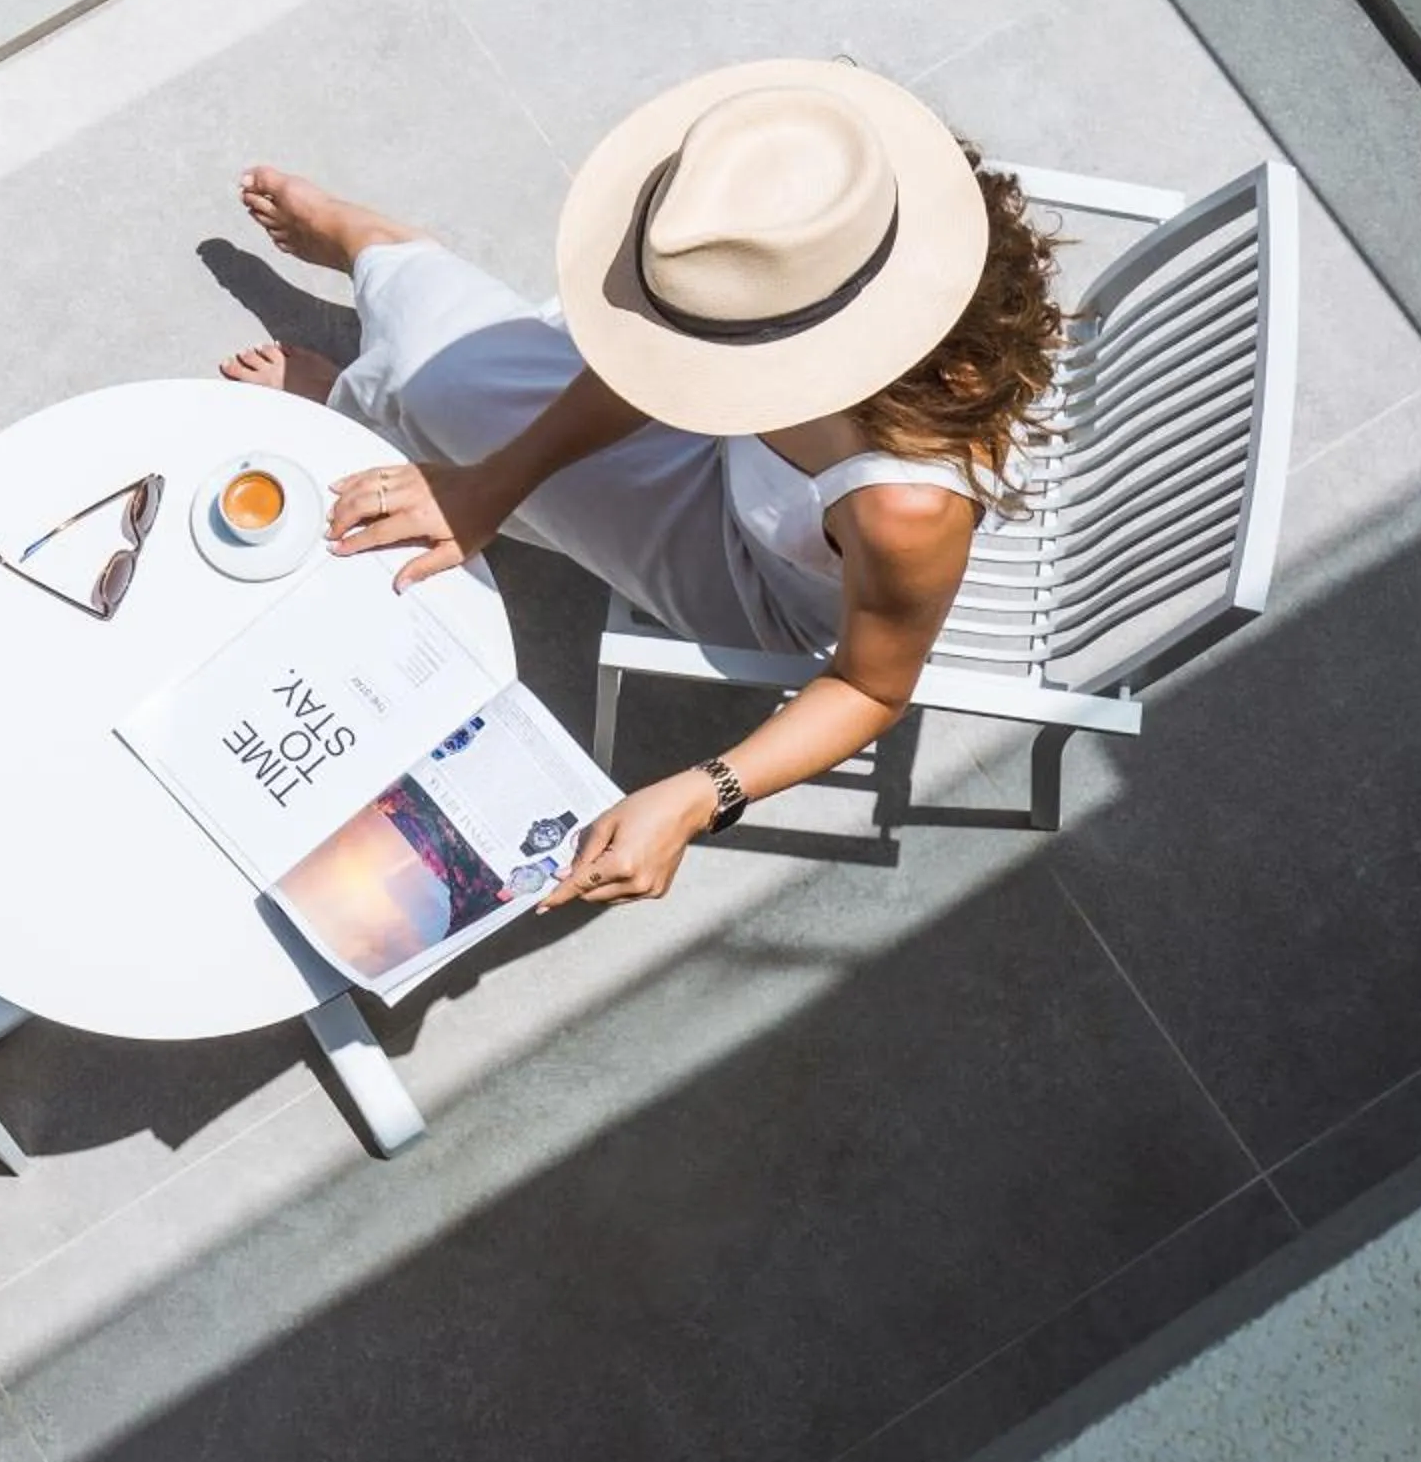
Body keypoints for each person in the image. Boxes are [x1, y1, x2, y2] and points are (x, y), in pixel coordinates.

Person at [218, 58, 1064, 912]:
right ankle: (380, 270)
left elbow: (871, 685)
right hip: (735, 454)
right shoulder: (849, 204)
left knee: (439, 388)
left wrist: (705, 792)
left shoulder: (904, 509)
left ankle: (376, 304)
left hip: (756, 573)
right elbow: (654, 369)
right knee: (453, 398)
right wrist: (495, 485)